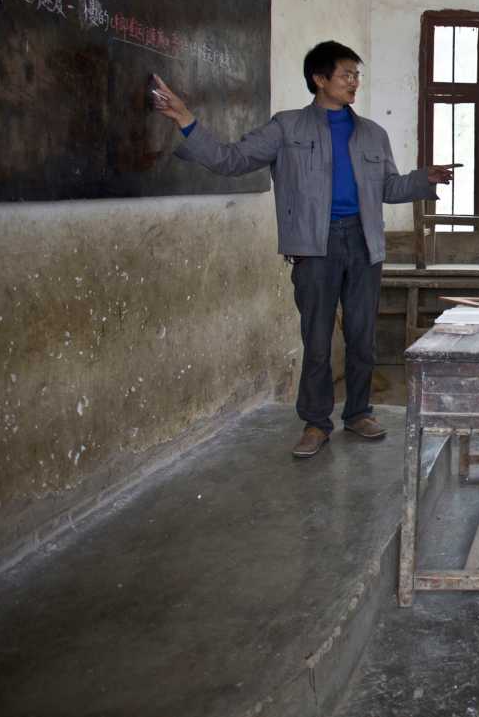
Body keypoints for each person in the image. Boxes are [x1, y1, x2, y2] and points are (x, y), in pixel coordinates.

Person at [151, 41, 453, 458]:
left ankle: (359, 412)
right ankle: (315, 423)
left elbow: (387, 188)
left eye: (356, 75)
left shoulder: (372, 133)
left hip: (364, 242)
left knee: (363, 337)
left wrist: (425, 179)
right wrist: (186, 119)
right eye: (347, 75)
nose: (354, 82)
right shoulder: (287, 128)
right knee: (316, 338)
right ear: (319, 79)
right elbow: (231, 159)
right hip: (315, 244)